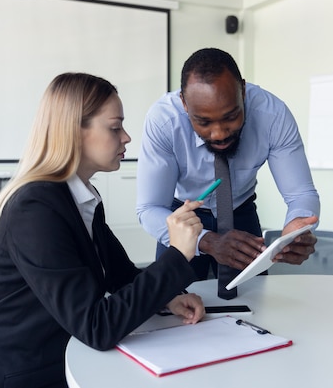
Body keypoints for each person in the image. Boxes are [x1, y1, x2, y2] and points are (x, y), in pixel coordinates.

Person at [0, 73, 205, 388]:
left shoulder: (80, 197)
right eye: (115, 127)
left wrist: (169, 298)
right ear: (74, 132)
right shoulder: (34, 210)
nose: (127, 137)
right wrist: (177, 255)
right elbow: (97, 326)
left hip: (67, 358)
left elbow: (121, 276)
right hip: (24, 375)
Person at [136, 48, 320, 291]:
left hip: (240, 211)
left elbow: (301, 194)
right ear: (183, 102)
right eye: (204, 122)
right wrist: (207, 241)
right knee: (172, 305)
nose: (219, 133)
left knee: (254, 305)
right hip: (183, 216)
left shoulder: (273, 116)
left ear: (242, 91)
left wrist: (297, 228)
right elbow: (150, 209)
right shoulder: (163, 121)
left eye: (231, 116)